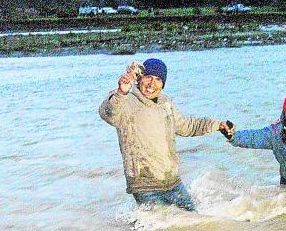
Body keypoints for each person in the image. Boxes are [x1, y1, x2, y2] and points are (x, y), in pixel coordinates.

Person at [99, 58, 232, 211]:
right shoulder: (126, 101)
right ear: (140, 78)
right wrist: (121, 92)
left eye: (158, 79)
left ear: (163, 84)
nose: (151, 84)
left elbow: (187, 126)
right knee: (160, 230)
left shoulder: (165, 103)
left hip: (173, 181)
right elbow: (108, 114)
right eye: (148, 77)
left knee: (194, 220)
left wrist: (217, 125)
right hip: (145, 185)